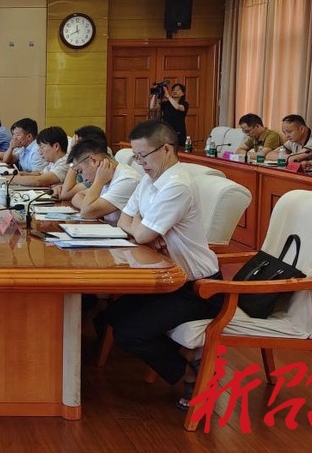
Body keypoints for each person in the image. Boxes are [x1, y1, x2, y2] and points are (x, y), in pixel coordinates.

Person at [96, 120, 221, 411]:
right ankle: (188, 356)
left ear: (166, 149)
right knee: (112, 314)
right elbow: (125, 221)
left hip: (199, 289)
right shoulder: (151, 178)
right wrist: (144, 230)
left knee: (129, 333)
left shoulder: (177, 185)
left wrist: (143, 230)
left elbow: (138, 233)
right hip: (168, 277)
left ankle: (191, 372)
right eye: (136, 157)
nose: (140, 163)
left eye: (143, 156)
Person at [66, 138, 141, 224]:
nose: (83, 178)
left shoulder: (127, 180)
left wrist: (99, 182)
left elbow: (86, 212)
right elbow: (77, 196)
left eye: (81, 171)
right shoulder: (106, 175)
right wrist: (89, 207)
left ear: (94, 161)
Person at [53, 125, 109, 201]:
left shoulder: (99, 166)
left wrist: (74, 161)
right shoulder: (87, 165)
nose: (72, 152)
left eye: (75, 148)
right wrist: (61, 187)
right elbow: (73, 191)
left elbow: (65, 194)